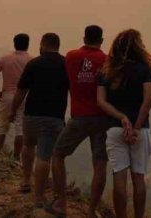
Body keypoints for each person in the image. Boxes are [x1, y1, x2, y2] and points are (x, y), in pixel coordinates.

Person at [47, 25, 109, 217]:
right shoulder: (107, 61)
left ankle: (61, 203)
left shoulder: (72, 56)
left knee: (57, 155)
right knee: (99, 163)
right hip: (101, 118)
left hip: (79, 117)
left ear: (84, 38)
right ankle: (91, 212)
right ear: (102, 40)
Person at [97, 29, 151, 218]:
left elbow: (101, 101)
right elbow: (147, 101)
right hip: (140, 130)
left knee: (118, 177)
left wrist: (121, 117)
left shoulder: (107, 70)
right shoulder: (144, 69)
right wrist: (136, 127)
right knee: (138, 178)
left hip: (115, 129)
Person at [9, 33, 68, 211]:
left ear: (43, 44)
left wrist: (13, 110)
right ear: (58, 45)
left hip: (32, 115)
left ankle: (26, 181)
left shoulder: (34, 63)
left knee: (28, 146)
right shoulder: (66, 64)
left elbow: (21, 91)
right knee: (44, 156)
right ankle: (40, 196)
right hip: (54, 116)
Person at [0, 33, 31, 157]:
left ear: (14, 43)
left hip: (7, 95)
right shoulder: (32, 60)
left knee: (2, 126)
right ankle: (16, 157)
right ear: (27, 44)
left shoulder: (5, 58)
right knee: (20, 128)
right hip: (24, 96)